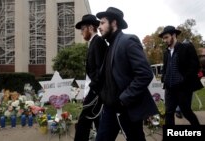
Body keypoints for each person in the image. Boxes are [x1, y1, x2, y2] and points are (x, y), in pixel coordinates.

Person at [95, 7, 158, 141]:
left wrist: (124, 99)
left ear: (114, 23)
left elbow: (145, 74)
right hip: (109, 109)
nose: (99, 26)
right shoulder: (109, 46)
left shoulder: (128, 41)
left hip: (127, 108)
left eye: (102, 22)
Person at [159, 25, 203, 125]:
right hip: (169, 88)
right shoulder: (166, 52)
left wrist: (184, 79)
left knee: (186, 112)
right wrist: (164, 78)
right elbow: (165, 68)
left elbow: (195, 66)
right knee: (169, 112)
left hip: (183, 88)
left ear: (173, 35)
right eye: (163, 38)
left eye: (166, 37)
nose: (164, 40)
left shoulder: (186, 47)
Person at [74, 14, 107, 141]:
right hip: (93, 91)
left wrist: (93, 90)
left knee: (83, 121)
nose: (82, 32)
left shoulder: (98, 42)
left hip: (96, 92)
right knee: (98, 121)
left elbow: (101, 70)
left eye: (83, 29)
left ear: (91, 27)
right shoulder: (93, 42)